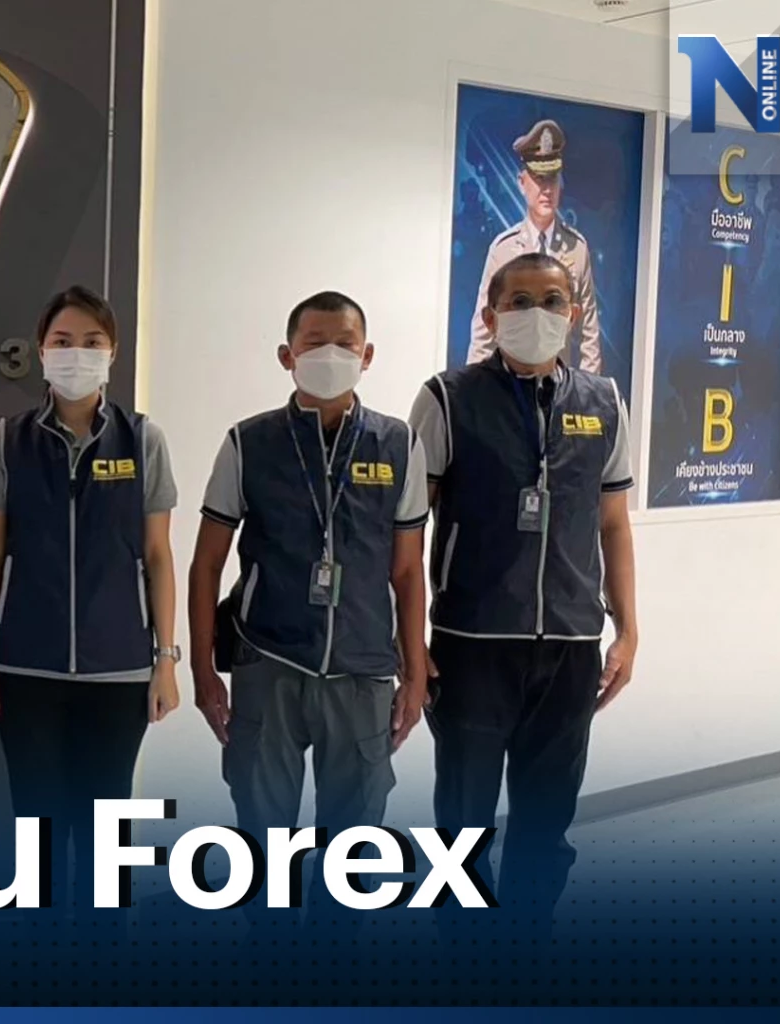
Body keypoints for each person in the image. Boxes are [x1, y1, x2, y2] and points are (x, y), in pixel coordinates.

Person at [411, 251, 638, 942]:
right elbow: (405, 531)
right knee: (463, 820)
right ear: (490, 315)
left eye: (552, 300)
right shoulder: (448, 399)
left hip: (570, 646)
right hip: (471, 645)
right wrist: (408, 642)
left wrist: (628, 631)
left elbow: (613, 523)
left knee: (547, 819)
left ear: (574, 314)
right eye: (518, 301)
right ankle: (460, 951)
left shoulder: (603, 402)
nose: (536, 313)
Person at [186, 291, 429, 932]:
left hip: (363, 672)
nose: (330, 355)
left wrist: (415, 674)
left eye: (345, 344)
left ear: (367, 355)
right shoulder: (249, 443)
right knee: (263, 842)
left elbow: (408, 572)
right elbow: (206, 564)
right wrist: (204, 674)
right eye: (314, 343)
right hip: (268, 663)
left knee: (355, 849)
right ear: (286, 355)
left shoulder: (399, 444)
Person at [0, 285, 181, 910]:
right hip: (25, 667)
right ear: (41, 351)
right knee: (37, 828)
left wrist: (166, 660)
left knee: (105, 831)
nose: (76, 353)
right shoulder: (7, 440)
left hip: (120, 670)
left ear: (112, 353)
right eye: (63, 341)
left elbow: (159, 556)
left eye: (91, 342)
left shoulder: (143, 440)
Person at [468, 118, 604, 374]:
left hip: (557, 381)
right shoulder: (504, 250)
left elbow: (589, 334)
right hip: (509, 381)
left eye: (552, 179)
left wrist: (588, 389)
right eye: (539, 179)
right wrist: (474, 388)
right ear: (522, 183)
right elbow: (483, 332)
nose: (547, 190)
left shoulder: (576, 248)